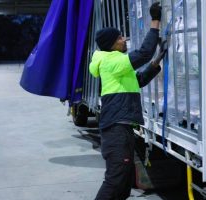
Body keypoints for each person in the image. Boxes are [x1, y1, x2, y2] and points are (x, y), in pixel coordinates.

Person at [89, 2, 165, 200]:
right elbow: (143, 54)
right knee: (115, 180)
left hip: (121, 128)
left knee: (124, 180)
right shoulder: (111, 61)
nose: (124, 40)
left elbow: (137, 81)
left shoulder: (115, 64)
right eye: (120, 37)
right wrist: (155, 21)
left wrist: (156, 62)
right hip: (116, 129)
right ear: (112, 43)